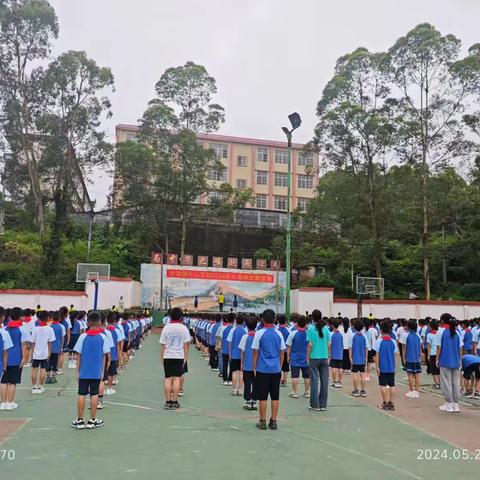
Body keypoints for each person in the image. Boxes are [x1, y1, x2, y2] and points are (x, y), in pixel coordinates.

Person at [71, 311, 110, 429]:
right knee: (94, 395)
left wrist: (77, 371)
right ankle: (92, 420)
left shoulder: (83, 337)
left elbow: (79, 355)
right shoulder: (103, 337)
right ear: (100, 322)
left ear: (87, 322)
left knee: (81, 394)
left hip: (84, 371)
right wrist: (102, 371)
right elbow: (105, 356)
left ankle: (80, 420)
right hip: (97, 371)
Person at [252, 309, 286, 430]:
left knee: (263, 396)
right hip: (276, 369)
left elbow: (255, 351)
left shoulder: (259, 333)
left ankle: (262, 421)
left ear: (263, 319)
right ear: (274, 319)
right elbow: (282, 352)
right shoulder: (279, 334)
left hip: (262, 369)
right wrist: (280, 366)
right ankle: (274, 421)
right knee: (275, 396)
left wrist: (254, 367)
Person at [159, 307, 190, 410]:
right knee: (176, 378)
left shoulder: (166, 328)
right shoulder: (184, 328)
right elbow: (186, 344)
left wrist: (162, 358)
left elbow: (163, 344)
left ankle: (167, 402)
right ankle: (174, 401)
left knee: (167, 379)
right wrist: (185, 357)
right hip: (179, 356)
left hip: (168, 355)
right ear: (181, 317)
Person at [0, 307, 29, 411]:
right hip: (16, 358)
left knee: (3, 381)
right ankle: (10, 402)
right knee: (13, 382)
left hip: (4, 359)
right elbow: (24, 345)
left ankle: (3, 403)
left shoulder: (5, 328)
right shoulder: (22, 329)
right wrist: (24, 358)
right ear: (21, 317)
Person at [437, 313, 462, 413]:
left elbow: (439, 347)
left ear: (442, 321)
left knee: (446, 382)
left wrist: (437, 359)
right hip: (455, 360)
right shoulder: (457, 332)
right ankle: (456, 404)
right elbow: (460, 348)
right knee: (455, 382)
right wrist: (459, 359)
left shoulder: (441, 332)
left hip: (445, 360)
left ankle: (449, 403)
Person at [307, 310, 331, 411]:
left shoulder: (311, 329)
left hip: (314, 357)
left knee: (314, 380)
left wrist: (308, 356)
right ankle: (323, 404)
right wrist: (328, 355)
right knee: (324, 381)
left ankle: (314, 404)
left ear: (312, 318)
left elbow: (310, 345)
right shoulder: (326, 329)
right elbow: (329, 344)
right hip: (324, 357)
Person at [373, 320, 398, 411]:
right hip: (391, 367)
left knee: (383, 385)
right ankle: (391, 403)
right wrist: (395, 367)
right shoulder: (393, 342)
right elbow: (395, 355)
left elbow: (377, 355)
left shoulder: (379, 341)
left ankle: (385, 403)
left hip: (382, 367)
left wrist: (377, 367)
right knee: (392, 385)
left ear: (381, 330)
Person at [30, 311, 55, 394]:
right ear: (47, 318)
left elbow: (32, 342)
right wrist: (49, 352)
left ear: (38, 318)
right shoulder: (50, 329)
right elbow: (50, 342)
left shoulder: (35, 329)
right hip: (45, 352)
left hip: (36, 353)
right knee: (42, 370)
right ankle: (40, 386)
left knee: (34, 369)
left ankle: (34, 387)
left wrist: (32, 352)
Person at [286, 316, 310, 398]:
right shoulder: (308, 334)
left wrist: (288, 356)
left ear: (297, 324)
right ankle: (307, 391)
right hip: (306, 358)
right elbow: (310, 346)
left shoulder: (293, 333)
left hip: (295, 357)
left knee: (295, 375)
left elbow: (288, 346)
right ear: (305, 324)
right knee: (307, 376)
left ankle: (294, 392)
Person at [239, 316, 258, 411]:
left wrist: (241, 363)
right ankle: (254, 401)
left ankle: (248, 401)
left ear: (246, 326)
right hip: (257, 365)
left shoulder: (245, 337)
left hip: (247, 364)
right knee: (256, 383)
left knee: (247, 383)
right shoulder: (258, 336)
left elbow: (242, 352)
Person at [228, 314, 246, 396]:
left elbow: (230, 343)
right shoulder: (245, 330)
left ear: (236, 320)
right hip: (243, 355)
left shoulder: (232, 330)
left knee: (234, 371)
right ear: (243, 322)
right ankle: (241, 389)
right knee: (241, 372)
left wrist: (230, 354)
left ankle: (235, 389)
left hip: (234, 354)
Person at [349, 318, 368, 397]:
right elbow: (366, 348)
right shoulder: (364, 336)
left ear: (354, 327)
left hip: (355, 358)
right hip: (362, 358)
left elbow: (350, 348)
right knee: (363, 374)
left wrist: (350, 357)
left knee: (355, 374)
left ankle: (356, 390)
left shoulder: (352, 336)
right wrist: (366, 358)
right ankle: (363, 390)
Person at [404, 319, 422, 398]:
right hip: (417, 357)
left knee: (410, 375)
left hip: (409, 357)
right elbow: (420, 348)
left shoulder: (406, 335)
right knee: (417, 374)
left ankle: (411, 390)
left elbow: (405, 348)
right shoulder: (418, 336)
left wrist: (404, 357)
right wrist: (420, 356)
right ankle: (416, 391)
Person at [46, 311, 66, 384]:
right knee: (55, 363)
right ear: (60, 318)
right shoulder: (62, 327)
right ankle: (53, 377)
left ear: (52, 318)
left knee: (48, 362)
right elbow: (62, 338)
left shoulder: (49, 326)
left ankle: (48, 377)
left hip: (48, 348)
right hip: (57, 348)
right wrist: (61, 347)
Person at [329, 318, 344, 388]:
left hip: (333, 353)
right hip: (340, 353)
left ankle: (334, 381)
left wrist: (329, 353)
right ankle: (339, 382)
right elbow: (342, 344)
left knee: (334, 367)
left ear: (332, 326)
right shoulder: (340, 335)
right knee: (340, 368)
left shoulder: (331, 334)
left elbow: (330, 344)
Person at [220, 313, 234, 385]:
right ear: (234, 320)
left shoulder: (223, 328)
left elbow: (221, 339)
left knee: (225, 364)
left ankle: (225, 380)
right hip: (233, 350)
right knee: (231, 365)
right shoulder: (234, 329)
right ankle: (230, 379)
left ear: (227, 319)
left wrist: (221, 348)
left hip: (225, 349)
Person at [426, 319, 440, 389]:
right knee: (439, 369)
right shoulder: (439, 333)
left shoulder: (429, 335)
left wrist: (428, 355)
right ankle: (440, 383)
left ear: (431, 327)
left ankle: (437, 383)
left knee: (433, 369)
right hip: (439, 353)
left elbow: (429, 346)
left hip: (432, 353)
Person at [277, 315, 290, 387]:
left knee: (279, 365)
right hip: (285, 351)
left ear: (278, 321)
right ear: (286, 322)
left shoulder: (276, 330)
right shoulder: (288, 330)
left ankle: (278, 379)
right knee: (285, 367)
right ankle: (284, 380)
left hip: (277, 351)